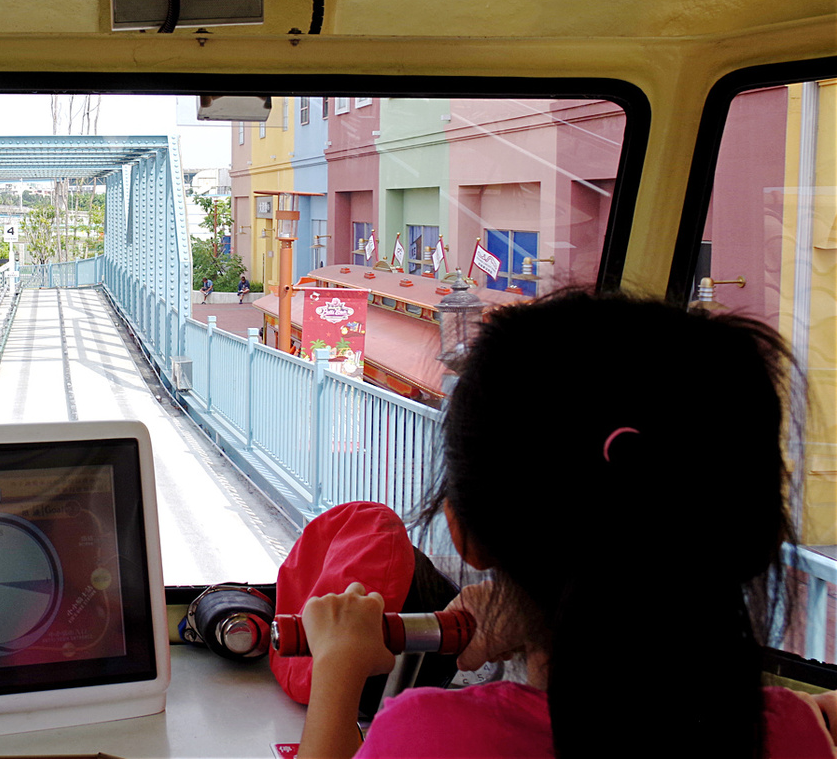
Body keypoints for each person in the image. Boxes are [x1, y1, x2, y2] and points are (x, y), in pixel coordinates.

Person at [296, 291, 837, 759]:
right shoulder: (793, 733)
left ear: (465, 535)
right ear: (751, 534)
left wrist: (338, 668)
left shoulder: (435, 736)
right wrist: (540, 625)